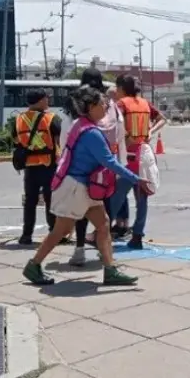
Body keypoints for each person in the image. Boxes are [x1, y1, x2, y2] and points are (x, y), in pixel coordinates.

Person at [23, 87, 147, 286]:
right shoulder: (91, 133)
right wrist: (136, 178)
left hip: (83, 187)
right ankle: (34, 265)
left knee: (104, 224)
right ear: (90, 107)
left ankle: (110, 269)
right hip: (76, 188)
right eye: (102, 105)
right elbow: (109, 162)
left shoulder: (81, 124)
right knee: (61, 231)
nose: (105, 108)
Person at [67, 69, 127, 266]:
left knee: (81, 210)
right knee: (105, 212)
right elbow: (120, 133)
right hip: (106, 168)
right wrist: (120, 163)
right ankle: (105, 253)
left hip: (81, 166)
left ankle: (79, 250)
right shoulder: (110, 106)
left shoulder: (78, 105)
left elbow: (67, 135)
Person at [105, 75, 166, 250]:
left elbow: (113, 125)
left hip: (128, 156)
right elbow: (162, 118)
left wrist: (126, 138)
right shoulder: (145, 103)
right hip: (144, 153)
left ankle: (103, 233)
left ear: (121, 88)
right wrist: (150, 131)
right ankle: (137, 235)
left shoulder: (121, 104)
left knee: (115, 197)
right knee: (142, 197)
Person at [13, 89, 62, 245]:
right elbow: (59, 139)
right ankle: (54, 234)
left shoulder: (18, 119)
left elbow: (16, 140)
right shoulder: (51, 118)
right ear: (40, 101)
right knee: (51, 201)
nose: (48, 101)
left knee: (30, 202)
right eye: (46, 98)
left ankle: (26, 235)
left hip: (29, 166)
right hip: (48, 165)